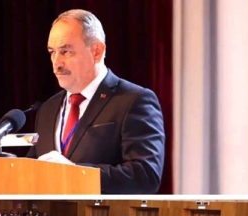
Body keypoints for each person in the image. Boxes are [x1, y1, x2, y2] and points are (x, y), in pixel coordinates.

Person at [27, 9, 165, 194]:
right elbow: (30, 170)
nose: (56, 63)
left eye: (66, 51)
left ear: (97, 51)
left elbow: (145, 176)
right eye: (52, 52)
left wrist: (76, 174)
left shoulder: (133, 100)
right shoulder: (48, 109)